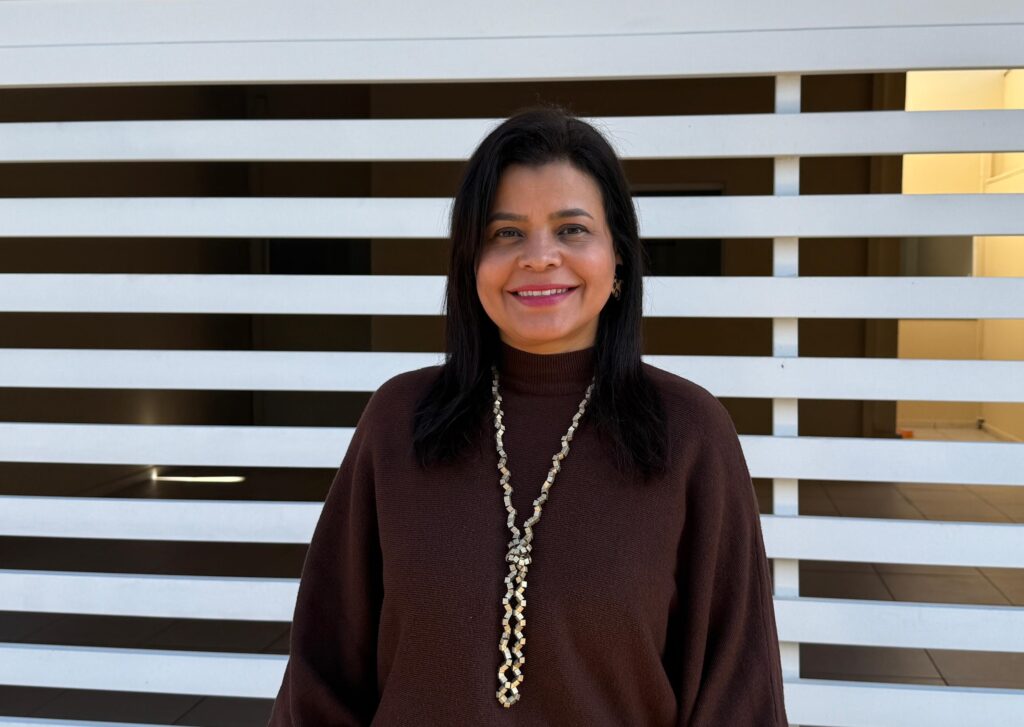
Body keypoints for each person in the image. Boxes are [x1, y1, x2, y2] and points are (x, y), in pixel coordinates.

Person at [267, 106, 788, 726]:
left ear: (618, 256)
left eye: (572, 230)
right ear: (471, 262)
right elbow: (322, 671)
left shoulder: (690, 435)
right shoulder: (398, 423)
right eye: (506, 233)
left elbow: (737, 690)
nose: (539, 257)